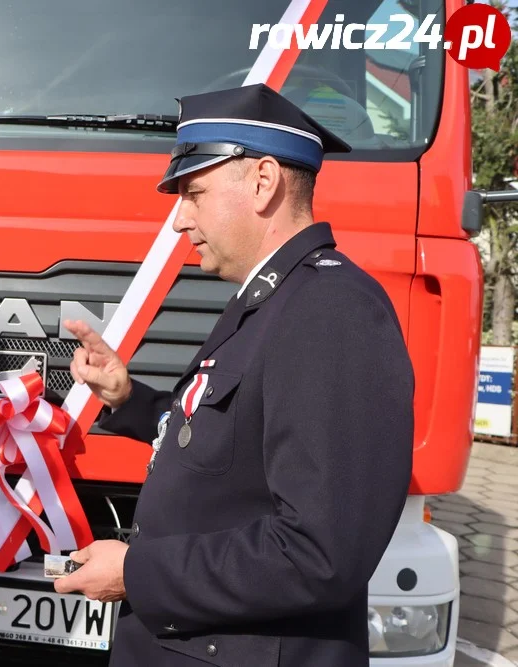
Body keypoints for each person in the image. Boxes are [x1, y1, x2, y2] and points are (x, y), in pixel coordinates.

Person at [54, 84, 414, 666]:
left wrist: (138, 573)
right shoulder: (272, 299)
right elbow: (232, 441)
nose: (178, 219)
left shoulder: (331, 310)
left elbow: (319, 553)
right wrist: (130, 400)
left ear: (264, 181)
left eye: (193, 193)